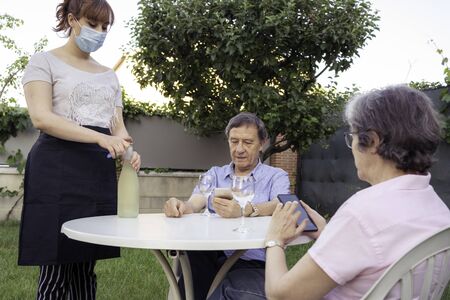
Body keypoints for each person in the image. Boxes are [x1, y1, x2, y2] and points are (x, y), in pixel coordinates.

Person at [263, 85, 450, 299]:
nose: (351, 145)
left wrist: (274, 240)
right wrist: (328, 232)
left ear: (372, 140)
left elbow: (281, 295)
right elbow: (379, 250)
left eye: (351, 135)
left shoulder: (363, 212)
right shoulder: (439, 210)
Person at [17, 0, 141, 299]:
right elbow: (42, 118)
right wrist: (99, 138)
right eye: (92, 24)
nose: (99, 32)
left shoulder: (108, 75)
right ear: (72, 20)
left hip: (96, 172)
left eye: (104, 27)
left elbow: (117, 128)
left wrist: (127, 151)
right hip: (56, 167)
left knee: (86, 262)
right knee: (57, 263)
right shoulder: (43, 61)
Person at [164, 112, 290, 299]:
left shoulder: (275, 176)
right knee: (193, 260)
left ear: (262, 143)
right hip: (211, 257)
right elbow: (195, 202)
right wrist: (179, 205)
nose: (239, 149)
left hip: (251, 260)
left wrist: (245, 210)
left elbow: (282, 203)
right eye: (234, 141)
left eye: (247, 142)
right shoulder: (215, 174)